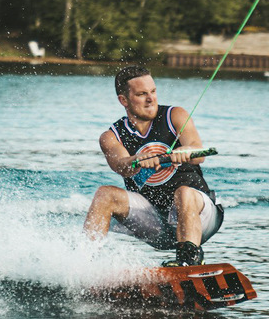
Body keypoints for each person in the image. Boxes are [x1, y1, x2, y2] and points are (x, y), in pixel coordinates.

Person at [84, 65, 224, 267]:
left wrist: (182, 152)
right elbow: (121, 165)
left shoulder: (175, 115)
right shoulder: (111, 136)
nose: (151, 99)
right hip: (156, 223)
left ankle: (188, 262)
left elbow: (196, 152)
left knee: (183, 193)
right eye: (142, 94)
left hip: (200, 217)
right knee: (105, 195)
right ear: (124, 100)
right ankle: (84, 264)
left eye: (153, 92)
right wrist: (138, 160)